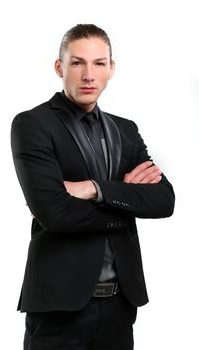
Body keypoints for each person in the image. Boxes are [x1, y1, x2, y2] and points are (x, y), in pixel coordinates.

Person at [11, 24, 175, 350]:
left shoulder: (125, 130)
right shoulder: (32, 125)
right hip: (59, 308)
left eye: (99, 63)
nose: (89, 74)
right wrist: (126, 202)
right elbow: (55, 213)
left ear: (111, 69)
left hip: (120, 305)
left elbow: (163, 201)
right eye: (77, 62)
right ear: (59, 67)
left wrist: (94, 189)